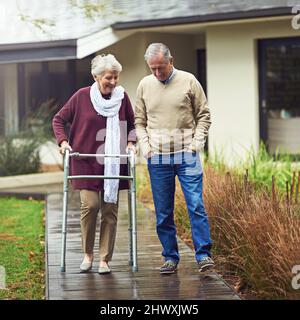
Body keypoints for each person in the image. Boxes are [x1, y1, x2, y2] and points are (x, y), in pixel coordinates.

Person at [52, 54, 136, 274]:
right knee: (90, 206)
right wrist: (63, 141)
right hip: (86, 160)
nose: (113, 82)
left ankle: (104, 259)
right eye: (109, 77)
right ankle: (87, 254)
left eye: (116, 77)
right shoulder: (81, 97)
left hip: (113, 163)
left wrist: (130, 142)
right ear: (96, 76)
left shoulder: (122, 97)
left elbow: (133, 123)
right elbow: (59, 119)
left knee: (110, 210)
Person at [135, 43, 215, 274]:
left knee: (196, 205)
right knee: (163, 211)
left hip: (186, 155)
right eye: (153, 69)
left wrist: (196, 144)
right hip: (157, 157)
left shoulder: (189, 81)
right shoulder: (144, 85)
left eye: (161, 67)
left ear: (171, 61)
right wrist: (146, 147)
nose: (158, 73)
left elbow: (204, 115)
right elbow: (139, 121)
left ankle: (203, 255)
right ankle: (170, 257)